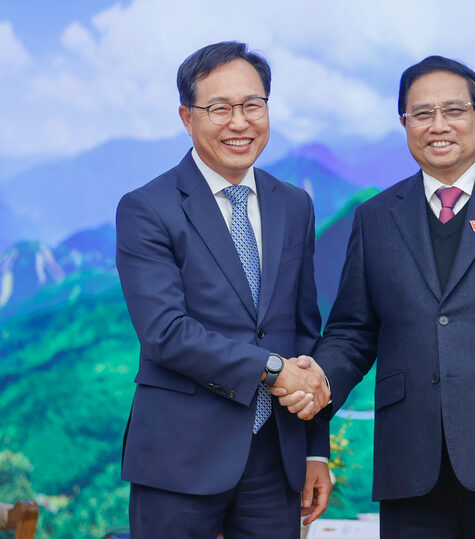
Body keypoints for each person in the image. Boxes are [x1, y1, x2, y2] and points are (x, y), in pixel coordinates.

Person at [278, 55, 475, 537]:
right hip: (411, 467)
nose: (438, 126)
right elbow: (353, 331)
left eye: (453, 111)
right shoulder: (375, 217)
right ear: (404, 123)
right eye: (422, 114)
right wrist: (319, 378)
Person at [115, 41, 332, 539]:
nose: (240, 122)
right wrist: (271, 371)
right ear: (187, 117)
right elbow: (165, 333)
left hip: (275, 459)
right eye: (219, 108)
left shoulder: (293, 204)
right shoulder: (148, 207)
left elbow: (303, 333)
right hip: (179, 457)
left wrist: (314, 448)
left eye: (252, 105)